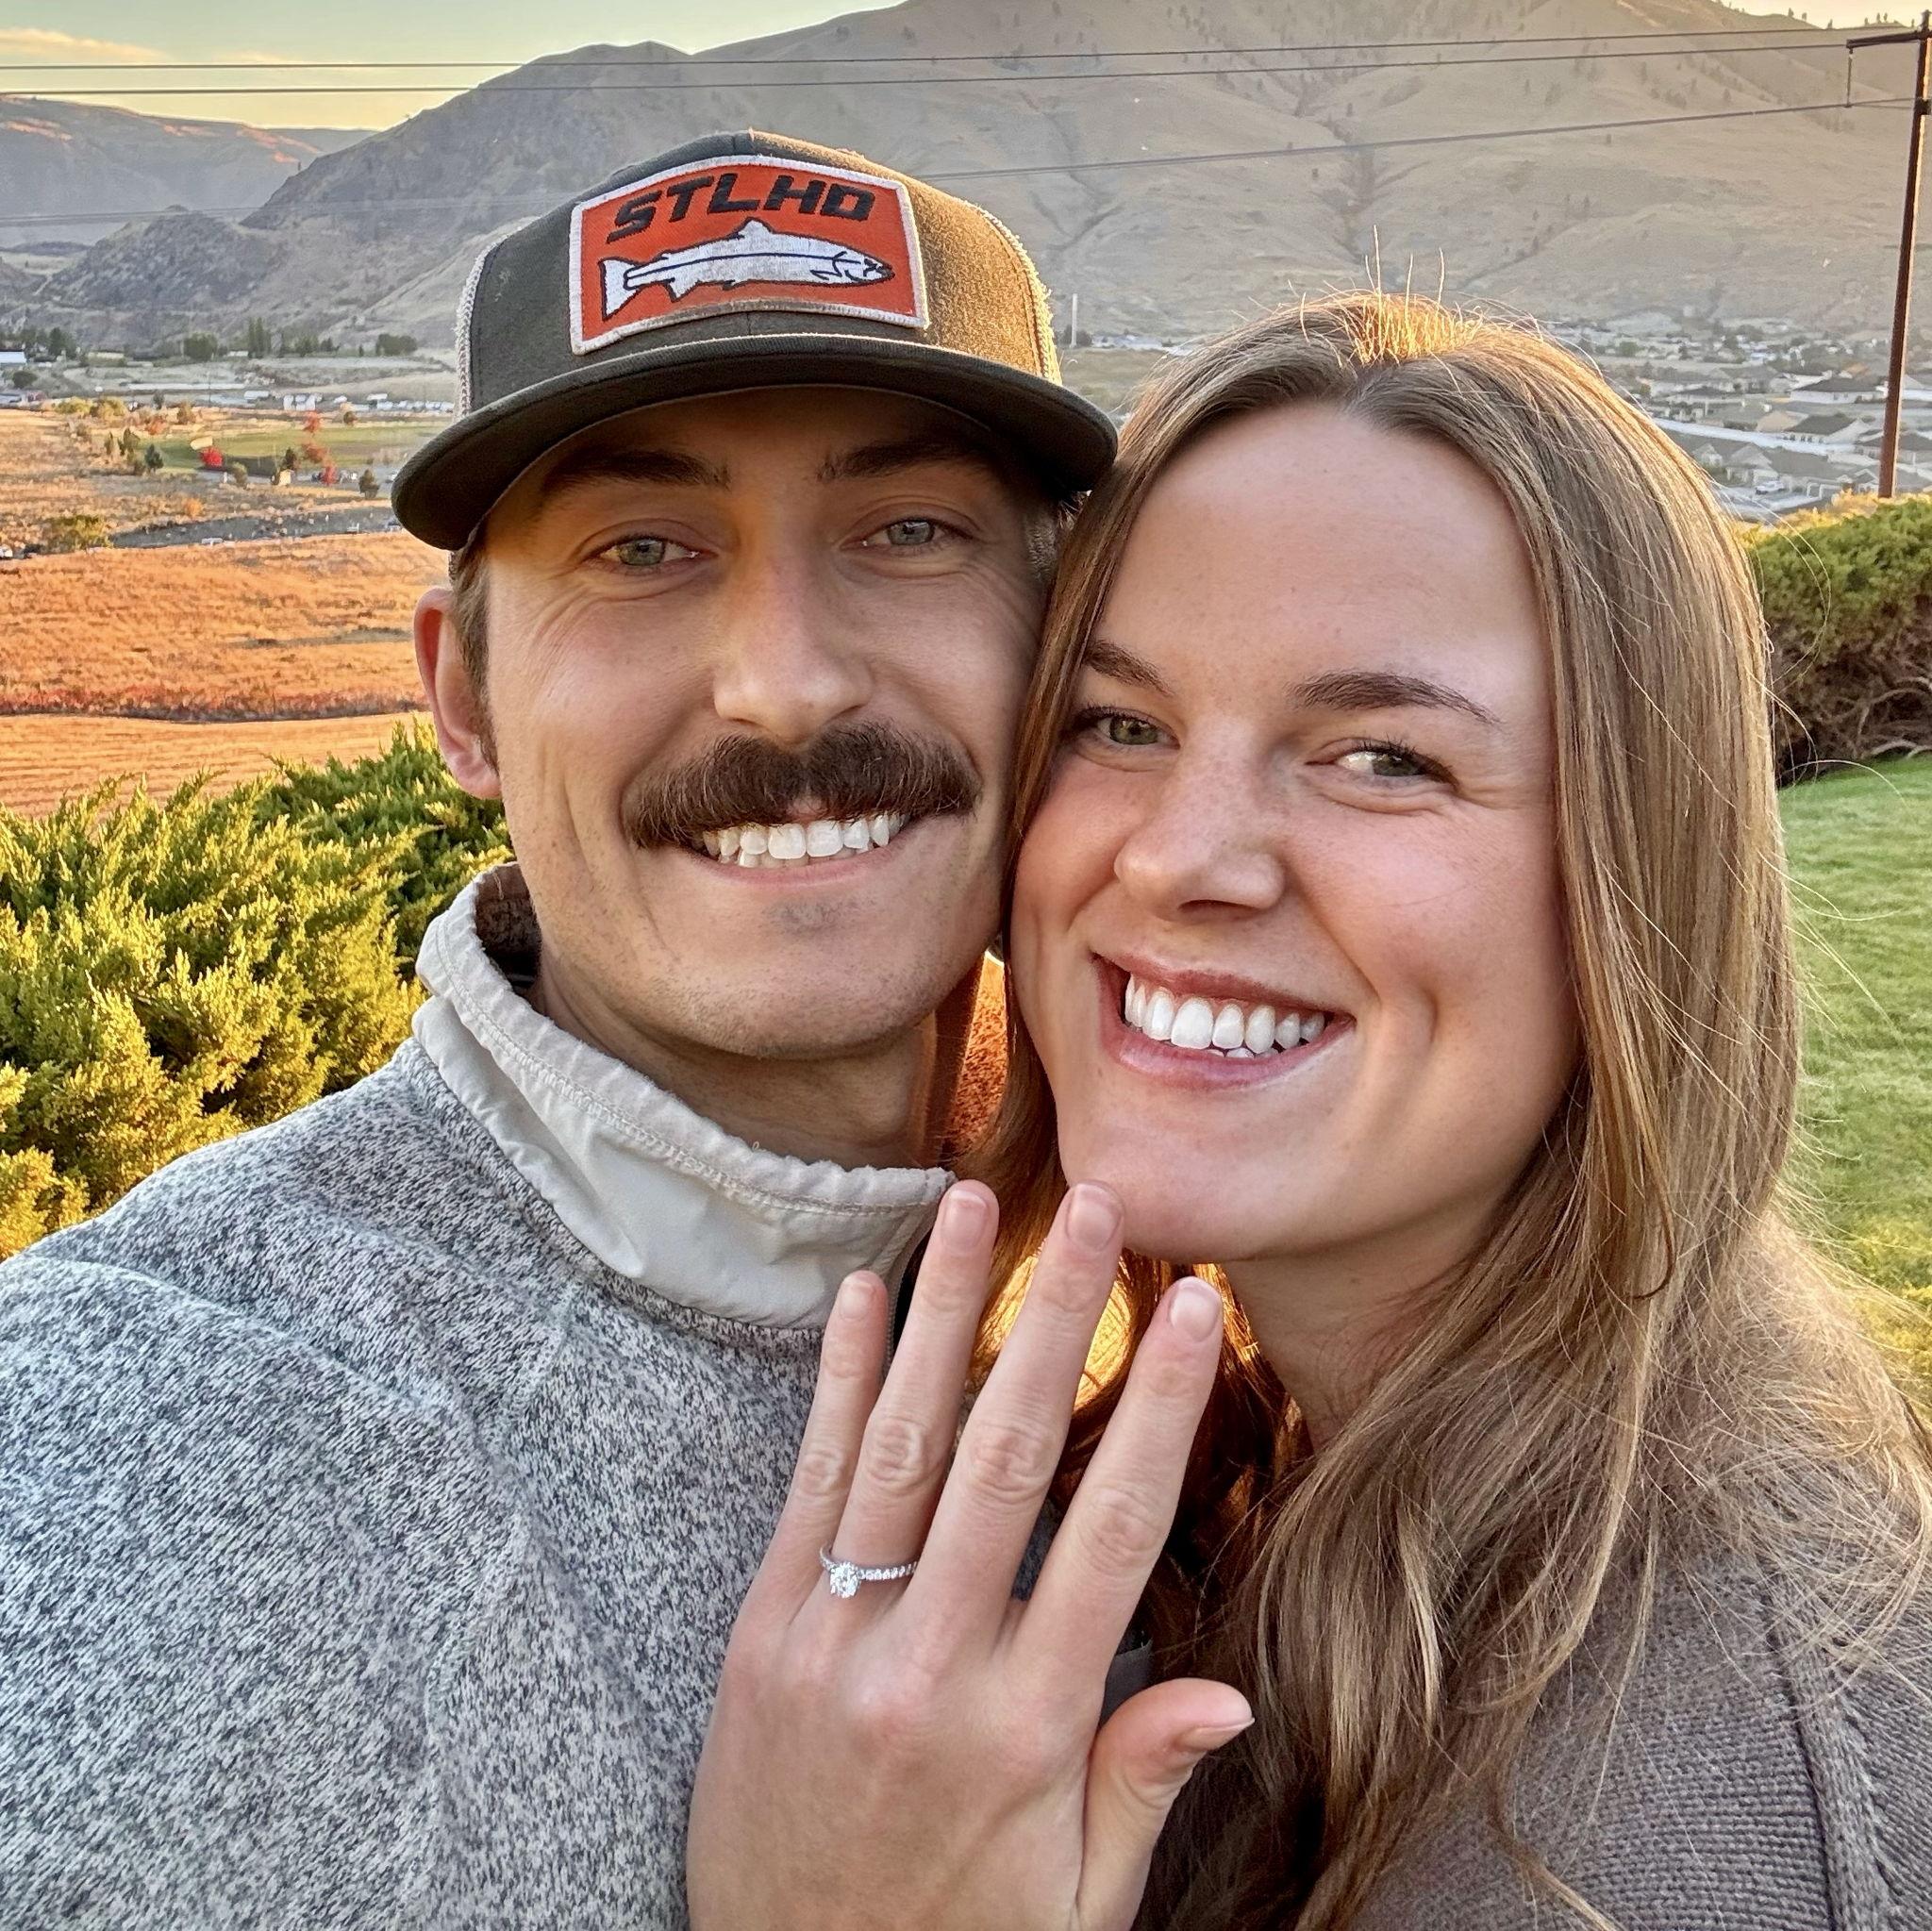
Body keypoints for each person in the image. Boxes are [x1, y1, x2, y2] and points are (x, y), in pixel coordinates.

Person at [687, 293, 1932, 1930]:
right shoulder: (1323, 1495)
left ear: (1641, 883)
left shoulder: (1690, 1817)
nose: (1179, 858)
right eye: (1120, 725)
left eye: (1383, 758)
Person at [0, 132, 1114, 1926]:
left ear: (1065, 650)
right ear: (465, 700)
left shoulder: (1220, 1271)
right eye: (642, 548)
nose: (785, 682)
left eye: (911, 532)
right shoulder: (112, 1452)